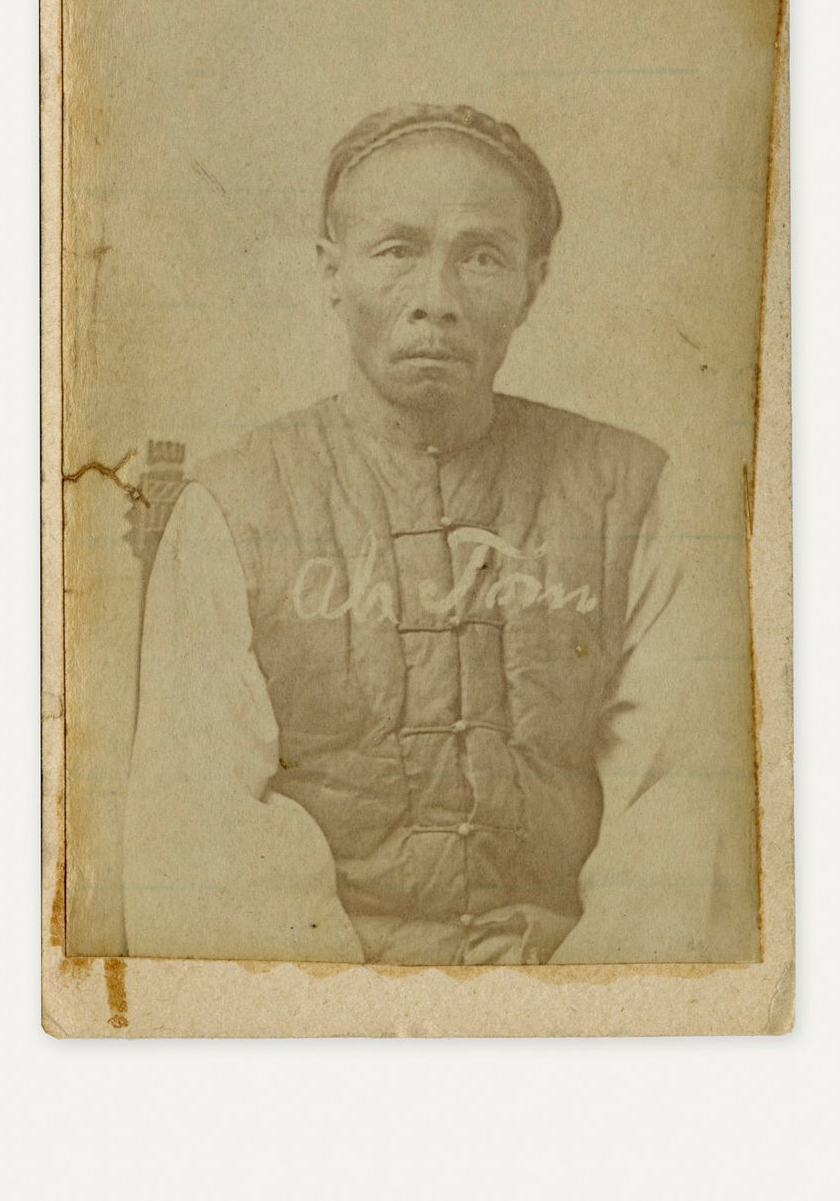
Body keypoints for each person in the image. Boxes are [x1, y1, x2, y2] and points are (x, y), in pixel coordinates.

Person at [123, 104, 742, 965]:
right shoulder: (232, 505)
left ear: (533, 280)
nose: (436, 302)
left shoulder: (634, 496)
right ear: (331, 273)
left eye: (481, 256)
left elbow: (676, 814)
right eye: (396, 250)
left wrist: (576, 1013)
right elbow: (198, 840)